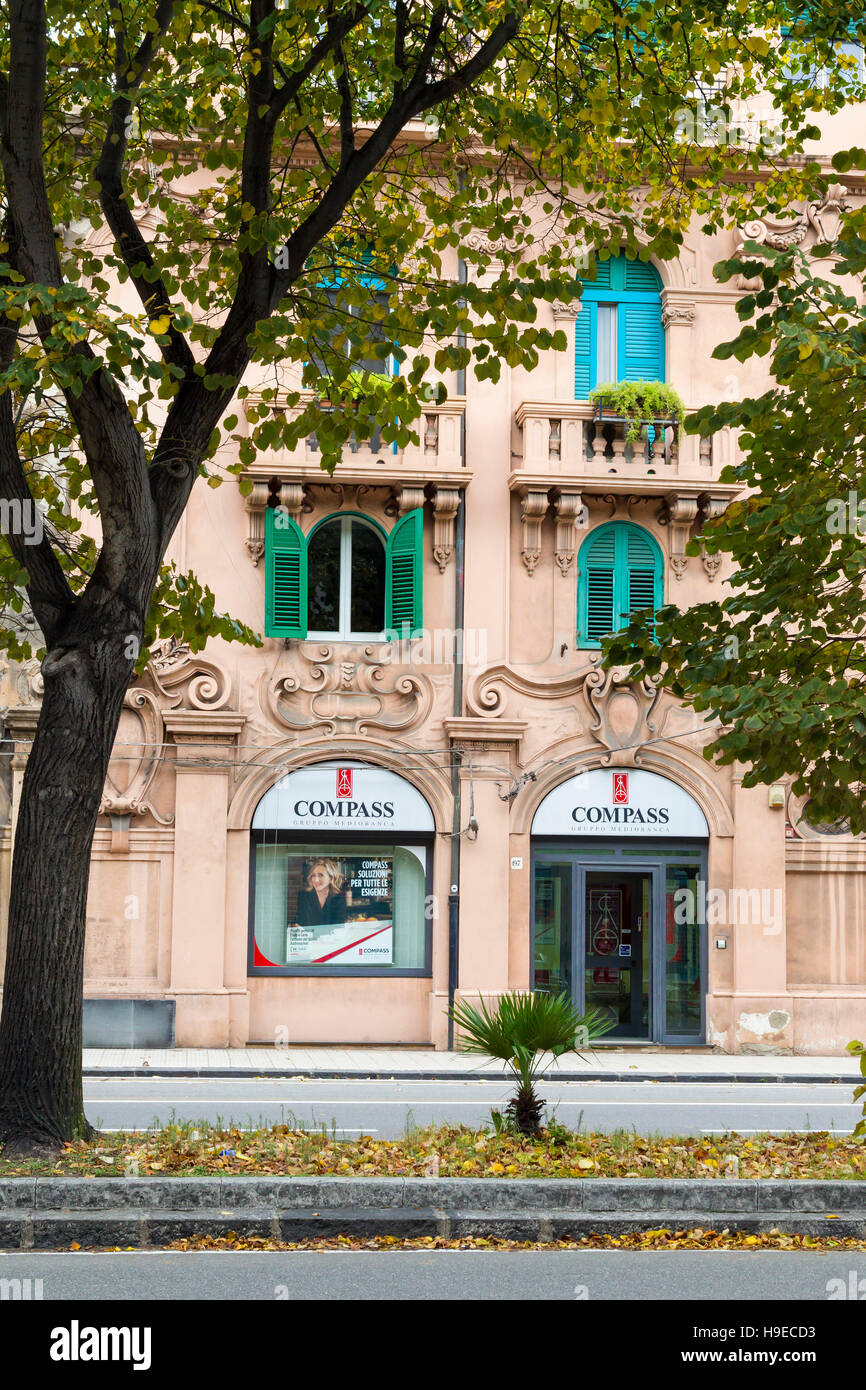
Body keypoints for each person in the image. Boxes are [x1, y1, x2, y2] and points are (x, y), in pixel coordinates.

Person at [293, 858, 347, 928]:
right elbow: (301, 923)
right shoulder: (304, 896)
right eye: (313, 875)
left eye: (321, 875)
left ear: (331, 879)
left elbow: (338, 927)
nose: (316, 880)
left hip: (330, 938)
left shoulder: (339, 898)